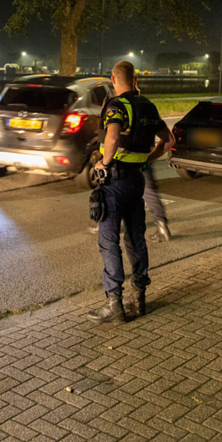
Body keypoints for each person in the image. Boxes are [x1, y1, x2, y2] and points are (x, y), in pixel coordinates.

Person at [85, 61, 173, 323]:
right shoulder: (148, 106)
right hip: (137, 180)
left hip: (114, 182)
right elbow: (169, 141)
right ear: (134, 79)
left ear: (114, 79)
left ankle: (114, 303)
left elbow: (111, 138)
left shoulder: (116, 106)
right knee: (136, 238)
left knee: (109, 241)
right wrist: (147, 159)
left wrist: (104, 163)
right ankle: (139, 297)